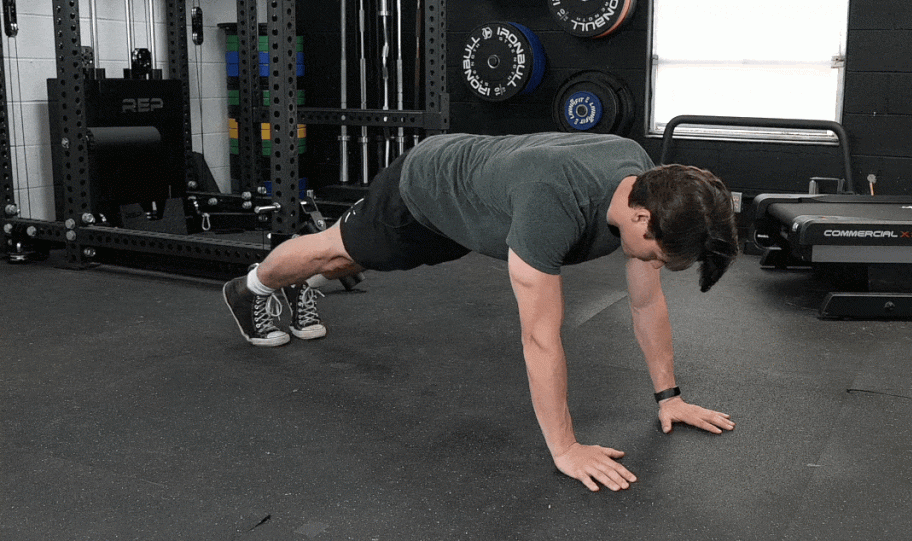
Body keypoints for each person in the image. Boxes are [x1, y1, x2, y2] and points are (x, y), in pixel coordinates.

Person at [223, 132, 740, 492]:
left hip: (474, 211)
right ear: (641, 216)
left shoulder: (647, 184)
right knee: (337, 252)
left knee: (350, 261)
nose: (649, 262)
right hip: (422, 192)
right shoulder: (552, 203)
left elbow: (646, 300)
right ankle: (250, 289)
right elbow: (540, 337)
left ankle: (295, 287)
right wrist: (566, 449)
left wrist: (669, 397)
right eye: (654, 253)